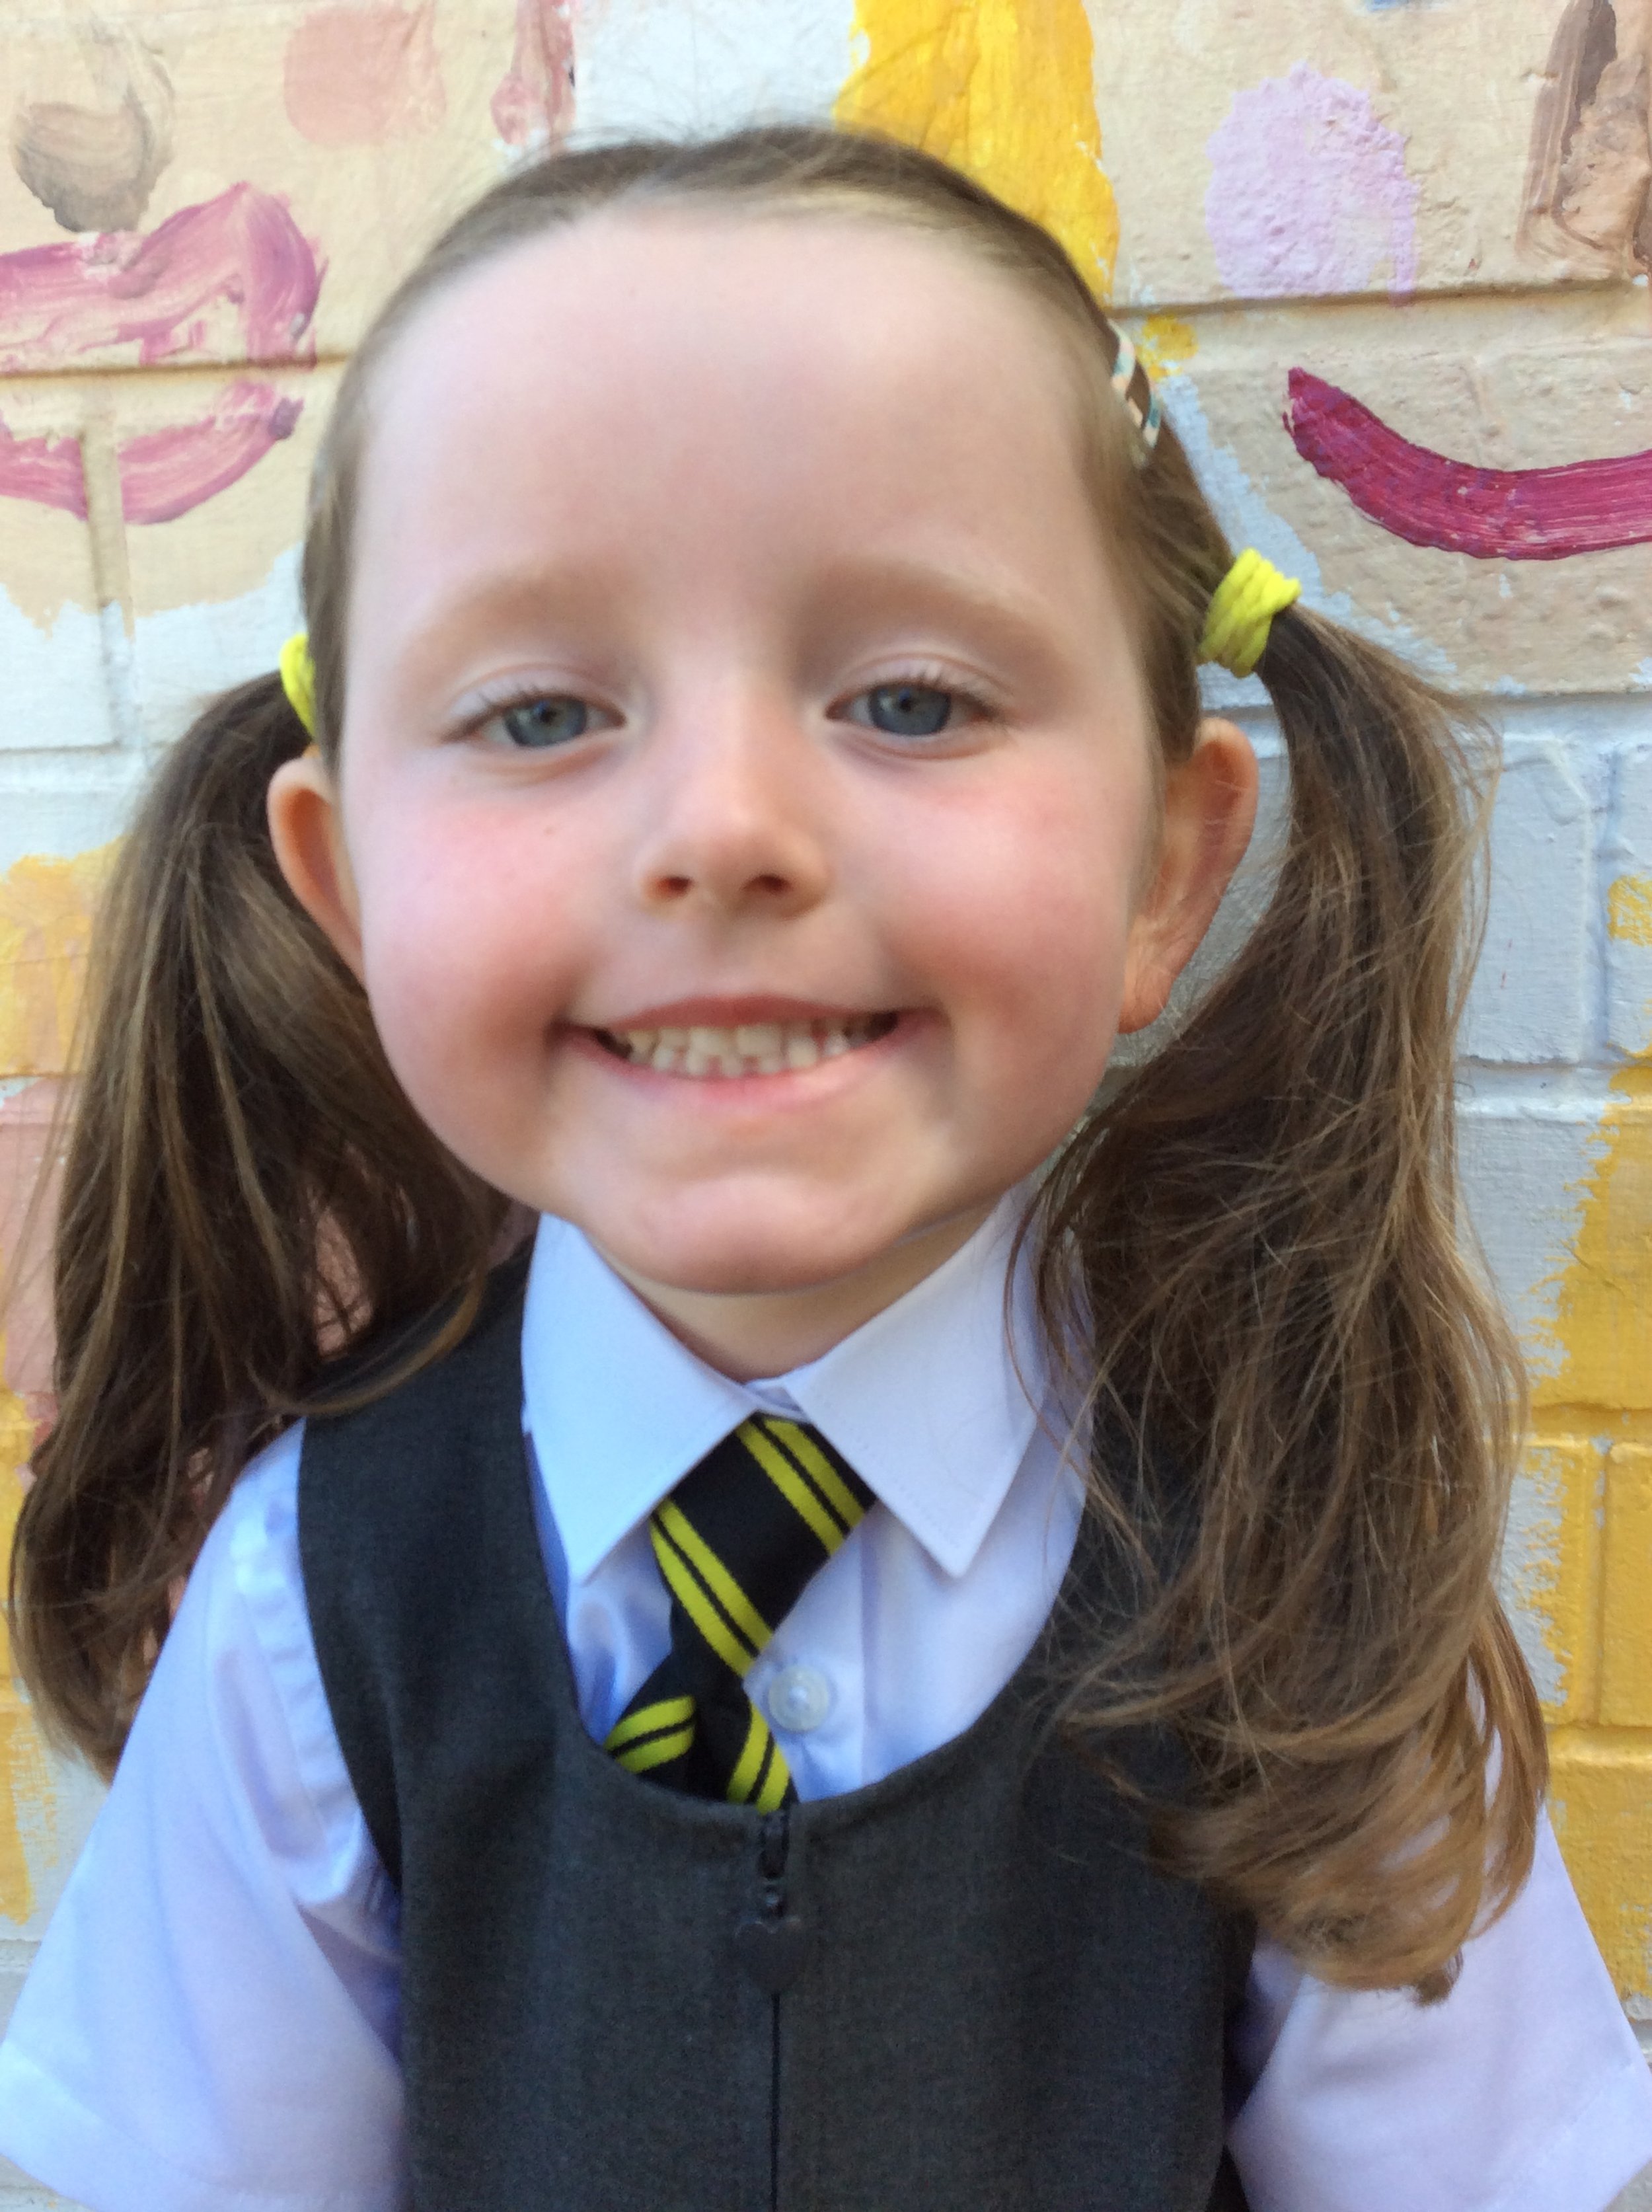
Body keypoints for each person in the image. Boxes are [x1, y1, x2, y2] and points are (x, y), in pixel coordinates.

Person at [1, 127, 1648, 2212]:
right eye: (536, 716)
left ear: (1164, 870)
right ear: (346, 888)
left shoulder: (1293, 1568)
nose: (726, 828)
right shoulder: (309, 1592)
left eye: (909, 699)